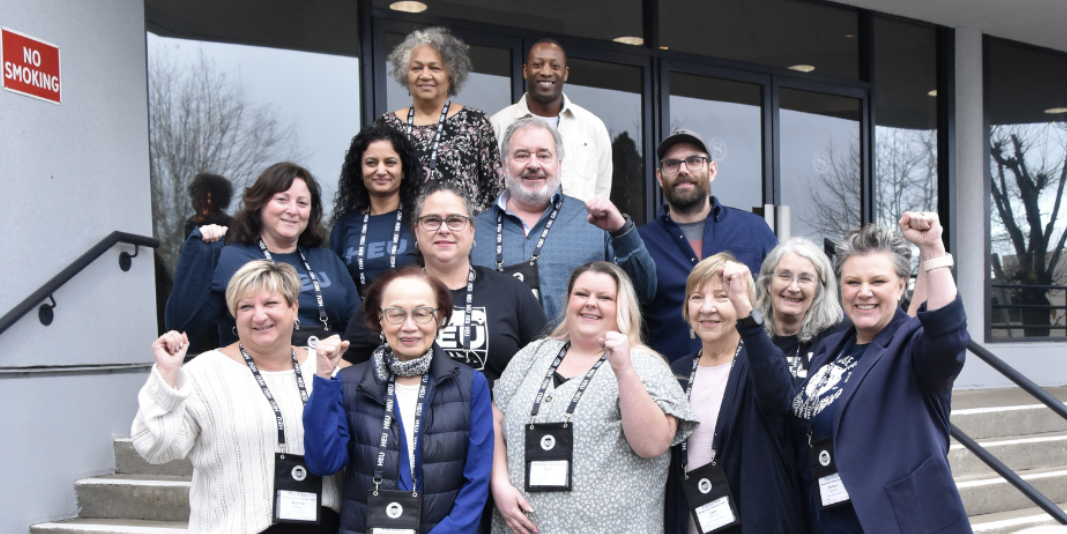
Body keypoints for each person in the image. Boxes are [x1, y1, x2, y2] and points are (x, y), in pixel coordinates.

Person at [133, 260, 345, 533]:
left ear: (293, 308)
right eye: (246, 306)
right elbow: (155, 448)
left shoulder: (325, 368)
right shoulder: (203, 373)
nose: (259, 316)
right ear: (234, 315)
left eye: (270, 303)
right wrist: (166, 376)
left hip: (322, 525)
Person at [790, 212, 970, 534]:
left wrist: (932, 250)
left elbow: (946, 335)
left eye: (878, 281)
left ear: (901, 285)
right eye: (853, 282)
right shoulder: (830, 347)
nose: (864, 292)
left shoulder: (912, 346)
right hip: (827, 519)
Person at [490, 261, 698, 534]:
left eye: (604, 298)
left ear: (621, 307)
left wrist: (623, 370)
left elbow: (653, 445)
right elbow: (494, 420)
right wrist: (499, 485)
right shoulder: (533, 355)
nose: (591, 303)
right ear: (569, 301)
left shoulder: (644, 365)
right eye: (582, 294)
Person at [303, 266, 493, 533]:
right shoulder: (348, 383)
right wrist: (323, 380)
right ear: (378, 320)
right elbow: (323, 463)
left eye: (422, 313)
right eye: (396, 314)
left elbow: (478, 478)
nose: (409, 326)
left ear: (440, 317)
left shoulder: (471, 384)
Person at [343, 183, 547, 385]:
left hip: (490, 416)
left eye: (455, 220)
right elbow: (347, 366)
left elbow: (544, 367)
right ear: (416, 230)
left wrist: (502, 409)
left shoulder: (511, 292)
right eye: (432, 221)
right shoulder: (389, 294)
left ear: (472, 230)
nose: (443, 229)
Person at [664, 253, 805, 534]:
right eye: (696, 297)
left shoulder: (759, 362)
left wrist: (747, 316)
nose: (707, 308)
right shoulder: (677, 370)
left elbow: (781, 400)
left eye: (722, 297)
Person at [471, 117, 656, 322]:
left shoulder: (594, 223)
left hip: (577, 353)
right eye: (522, 155)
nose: (533, 165)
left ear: (559, 165)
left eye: (544, 155)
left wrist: (622, 232)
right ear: (504, 166)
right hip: (498, 354)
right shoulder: (473, 230)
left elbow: (644, 291)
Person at [166, 162, 360, 349]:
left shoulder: (328, 260)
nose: (292, 210)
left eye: (302, 203)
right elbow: (184, 325)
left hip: (326, 373)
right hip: (255, 375)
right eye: (282, 200)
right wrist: (197, 254)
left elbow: (356, 329)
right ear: (260, 204)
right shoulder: (228, 260)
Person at [639, 129, 777, 361]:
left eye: (694, 161)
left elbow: (781, 298)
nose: (683, 170)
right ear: (660, 176)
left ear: (711, 170)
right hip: (671, 383)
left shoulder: (754, 230)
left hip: (746, 380)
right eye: (672, 164)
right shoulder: (641, 243)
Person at [376, 26, 505, 213]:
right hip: (402, 235)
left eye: (434, 68)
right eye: (417, 67)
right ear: (406, 73)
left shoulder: (475, 123)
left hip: (464, 236)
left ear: (451, 75)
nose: (425, 75)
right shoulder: (387, 125)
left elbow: (495, 190)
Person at [490, 39, 612, 201]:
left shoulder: (592, 127)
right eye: (538, 65)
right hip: (514, 225)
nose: (546, 72)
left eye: (555, 66)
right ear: (525, 71)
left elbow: (601, 191)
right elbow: (489, 187)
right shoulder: (498, 124)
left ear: (566, 73)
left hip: (578, 225)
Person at [330, 123, 422, 296]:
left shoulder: (421, 220)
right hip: (358, 320)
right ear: (359, 171)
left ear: (403, 171)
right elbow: (338, 285)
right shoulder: (345, 226)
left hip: (410, 318)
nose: (381, 171)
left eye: (390, 162)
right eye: (371, 163)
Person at [755, 237, 845, 382]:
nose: (794, 288)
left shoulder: (841, 335)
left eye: (805, 279)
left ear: (818, 289)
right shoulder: (751, 337)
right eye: (784, 276)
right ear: (768, 283)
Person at [184, 172, 235, 239]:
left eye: (198, 195)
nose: (194, 200)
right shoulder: (233, 223)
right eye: (194, 195)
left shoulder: (193, 223)